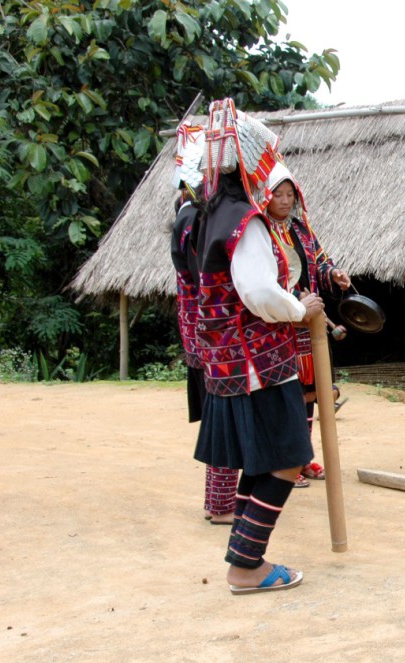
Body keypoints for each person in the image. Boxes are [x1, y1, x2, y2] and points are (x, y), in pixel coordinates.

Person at [192, 99, 323, 594]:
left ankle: (245, 558)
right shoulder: (245, 220)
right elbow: (259, 292)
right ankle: (247, 564)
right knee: (287, 458)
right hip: (258, 365)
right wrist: (299, 309)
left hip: (230, 364)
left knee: (265, 460)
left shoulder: (213, 214)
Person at [262, 161, 351, 488]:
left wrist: (335, 275)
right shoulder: (261, 231)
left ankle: (303, 458)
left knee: (310, 395)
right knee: (287, 396)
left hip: (308, 328)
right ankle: (285, 462)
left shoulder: (301, 229)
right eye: (278, 194)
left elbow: (321, 262)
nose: (285, 201)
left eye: (290, 195)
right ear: (266, 197)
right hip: (278, 327)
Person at [168, 123, 239, 524]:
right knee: (222, 417)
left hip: (200, 330)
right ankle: (220, 503)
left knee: (220, 416)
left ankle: (221, 500)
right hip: (211, 331)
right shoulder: (195, 221)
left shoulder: (188, 219)